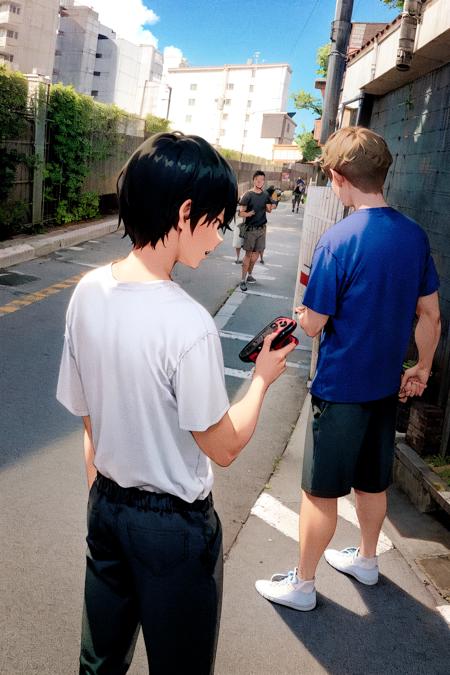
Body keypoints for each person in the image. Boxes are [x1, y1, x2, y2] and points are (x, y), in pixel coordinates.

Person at [56, 132, 296, 673]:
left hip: (107, 505)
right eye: (217, 221)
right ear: (186, 213)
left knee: (99, 661)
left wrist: (104, 497)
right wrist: (260, 380)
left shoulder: (88, 290)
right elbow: (224, 446)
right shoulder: (188, 324)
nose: (219, 236)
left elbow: (88, 416)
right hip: (172, 527)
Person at [255, 126, 441, 611]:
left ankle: (303, 584)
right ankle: (365, 559)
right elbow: (431, 314)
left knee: (320, 493)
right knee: (372, 482)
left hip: (339, 391)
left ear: (339, 178)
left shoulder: (337, 241)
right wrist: (420, 367)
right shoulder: (414, 236)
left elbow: (314, 325)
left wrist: (299, 315)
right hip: (384, 389)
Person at [238, 170, 274, 291]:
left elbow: (269, 210)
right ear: (254, 180)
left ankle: (250, 275)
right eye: (258, 180)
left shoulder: (265, 195)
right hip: (250, 230)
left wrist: (272, 203)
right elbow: (240, 213)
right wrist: (248, 213)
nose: (260, 182)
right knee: (248, 255)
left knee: (257, 254)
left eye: (262, 180)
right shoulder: (248, 195)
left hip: (262, 229)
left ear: (264, 181)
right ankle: (243, 280)